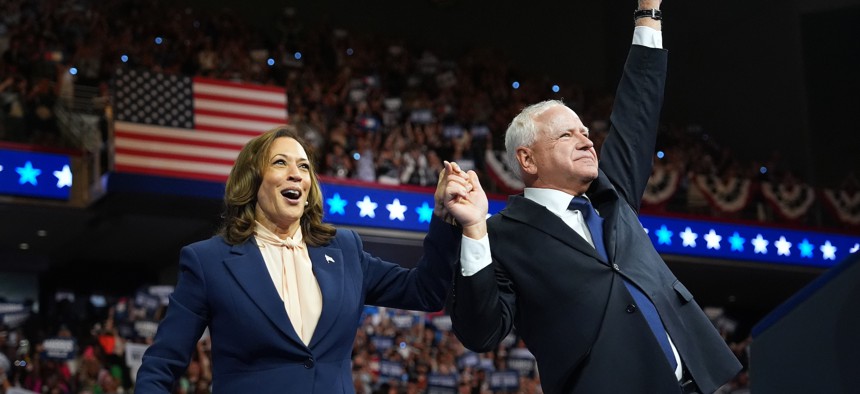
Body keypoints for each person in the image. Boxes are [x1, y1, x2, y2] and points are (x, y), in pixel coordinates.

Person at [446, 1, 742, 393]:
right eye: (567, 134)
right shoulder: (499, 236)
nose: (585, 140)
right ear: (527, 159)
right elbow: (481, 332)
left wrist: (648, 14)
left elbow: (637, 111)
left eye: (586, 132)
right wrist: (473, 231)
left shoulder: (611, 194)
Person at [134, 125, 486, 393]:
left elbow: (425, 291)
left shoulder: (344, 249)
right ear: (252, 180)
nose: (295, 174)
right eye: (280, 163)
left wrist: (443, 217)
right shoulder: (208, 261)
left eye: (303, 166)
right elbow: (162, 364)